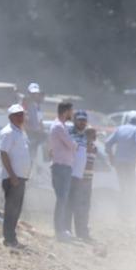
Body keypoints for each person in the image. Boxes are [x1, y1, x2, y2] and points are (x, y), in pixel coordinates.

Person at [0, 103, 32, 248]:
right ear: (11, 117)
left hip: (20, 177)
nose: (20, 117)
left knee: (16, 209)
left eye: (22, 114)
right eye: (17, 115)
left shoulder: (20, 132)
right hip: (13, 177)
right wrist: (12, 175)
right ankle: (9, 239)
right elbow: (3, 153)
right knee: (11, 209)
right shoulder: (8, 132)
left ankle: (12, 237)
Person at [105, 116, 136, 216]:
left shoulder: (120, 129)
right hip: (130, 162)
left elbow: (107, 143)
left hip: (119, 161)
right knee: (130, 185)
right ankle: (128, 211)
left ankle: (121, 210)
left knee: (122, 185)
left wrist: (111, 157)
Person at [49, 102, 77, 240]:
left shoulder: (60, 126)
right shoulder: (59, 127)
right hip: (61, 166)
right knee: (62, 199)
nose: (72, 113)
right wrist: (75, 145)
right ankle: (59, 230)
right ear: (66, 112)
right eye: (71, 111)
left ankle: (60, 230)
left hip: (62, 166)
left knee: (62, 199)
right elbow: (71, 145)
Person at [67, 126, 97, 241]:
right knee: (77, 207)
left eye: (94, 135)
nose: (94, 137)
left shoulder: (94, 148)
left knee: (85, 207)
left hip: (88, 180)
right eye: (92, 134)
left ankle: (83, 231)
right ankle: (76, 231)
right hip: (79, 180)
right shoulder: (80, 147)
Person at [22, 82, 46, 164]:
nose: (34, 95)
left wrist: (41, 131)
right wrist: (33, 130)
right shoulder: (25, 105)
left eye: (36, 93)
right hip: (29, 135)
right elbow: (23, 121)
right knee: (30, 158)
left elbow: (40, 121)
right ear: (29, 93)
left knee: (35, 158)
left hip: (36, 136)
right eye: (32, 93)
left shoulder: (37, 106)